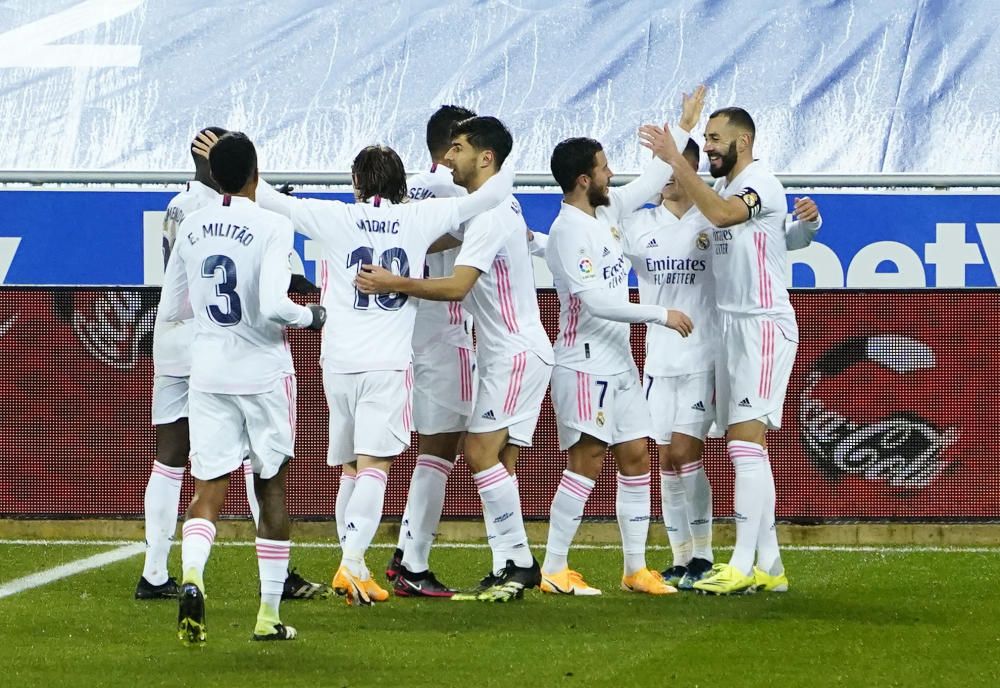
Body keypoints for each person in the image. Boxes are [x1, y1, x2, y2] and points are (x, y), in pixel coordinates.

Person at [199, 132, 516, 606]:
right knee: (376, 466)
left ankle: (353, 561)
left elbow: (259, 194)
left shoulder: (334, 216)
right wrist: (507, 157)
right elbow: (492, 195)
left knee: (350, 467)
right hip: (387, 364)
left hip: (337, 364)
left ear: (354, 182)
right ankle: (351, 564)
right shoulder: (417, 216)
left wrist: (223, 159)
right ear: (400, 187)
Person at [356, 116, 553, 602]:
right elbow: (440, 238)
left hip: (511, 351)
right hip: (502, 350)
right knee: (494, 459)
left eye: (459, 149)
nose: (450, 158)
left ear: (484, 157)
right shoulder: (480, 209)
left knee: (477, 454)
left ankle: (518, 563)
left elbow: (456, 285)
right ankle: (508, 561)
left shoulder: (490, 212)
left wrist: (393, 281)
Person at [621, 138, 823, 590]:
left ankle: (709, 557)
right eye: (665, 168)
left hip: (709, 351)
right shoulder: (639, 226)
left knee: (691, 452)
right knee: (670, 461)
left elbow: (778, 239)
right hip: (659, 357)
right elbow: (598, 253)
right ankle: (698, 560)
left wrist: (806, 228)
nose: (672, 175)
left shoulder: (714, 216)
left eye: (681, 166)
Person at [137, 128, 329, 603]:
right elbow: (276, 288)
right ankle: (276, 575)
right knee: (253, 461)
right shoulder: (243, 214)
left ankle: (157, 571)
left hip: (177, 337)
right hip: (223, 343)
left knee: (171, 457)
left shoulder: (181, 208)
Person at [537, 88, 701, 597]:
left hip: (620, 364)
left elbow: (655, 176)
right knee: (585, 462)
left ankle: (634, 568)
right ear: (585, 179)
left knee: (635, 457)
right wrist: (661, 314)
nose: (613, 176)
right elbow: (594, 303)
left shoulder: (607, 213)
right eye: (606, 169)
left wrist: (685, 127)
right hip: (584, 364)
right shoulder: (568, 231)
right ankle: (554, 567)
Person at [658, 106, 802, 594]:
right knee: (749, 449)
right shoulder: (719, 189)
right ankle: (772, 568)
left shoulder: (762, 183)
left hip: (761, 326)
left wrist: (679, 161)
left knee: (743, 444)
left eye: (715, 138)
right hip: (729, 331)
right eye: (706, 138)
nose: (710, 146)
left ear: (742, 141)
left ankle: (741, 565)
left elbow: (723, 216)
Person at [385, 105, 478, 598]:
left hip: (401, 334)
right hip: (444, 332)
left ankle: (400, 551)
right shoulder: (456, 195)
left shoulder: (406, 190)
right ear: (452, 146)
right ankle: (413, 561)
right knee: (441, 451)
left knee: (401, 453)